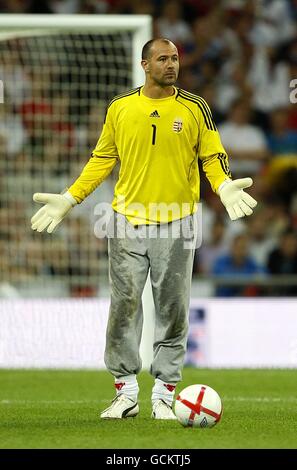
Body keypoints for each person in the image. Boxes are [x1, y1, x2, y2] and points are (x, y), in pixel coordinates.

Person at [31, 38, 257, 420]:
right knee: (124, 306)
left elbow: (212, 156)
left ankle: (165, 395)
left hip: (177, 221)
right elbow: (102, 159)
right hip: (126, 222)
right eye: (163, 59)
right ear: (144, 64)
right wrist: (70, 198)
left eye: (175, 59)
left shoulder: (195, 107)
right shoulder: (121, 108)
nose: (172, 65)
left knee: (173, 310)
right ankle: (126, 392)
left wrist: (222, 184)